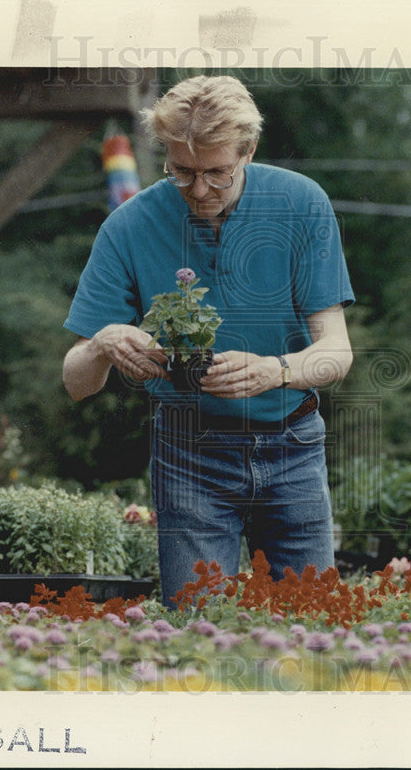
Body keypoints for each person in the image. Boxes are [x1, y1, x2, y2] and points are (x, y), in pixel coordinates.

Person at [62, 75, 354, 607]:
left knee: (313, 624)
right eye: (182, 172)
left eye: (217, 173)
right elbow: (76, 381)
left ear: (248, 151)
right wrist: (104, 343)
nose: (199, 191)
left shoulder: (301, 203)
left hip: (293, 445)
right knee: (197, 632)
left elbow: (336, 350)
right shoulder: (128, 226)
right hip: (188, 453)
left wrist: (276, 371)